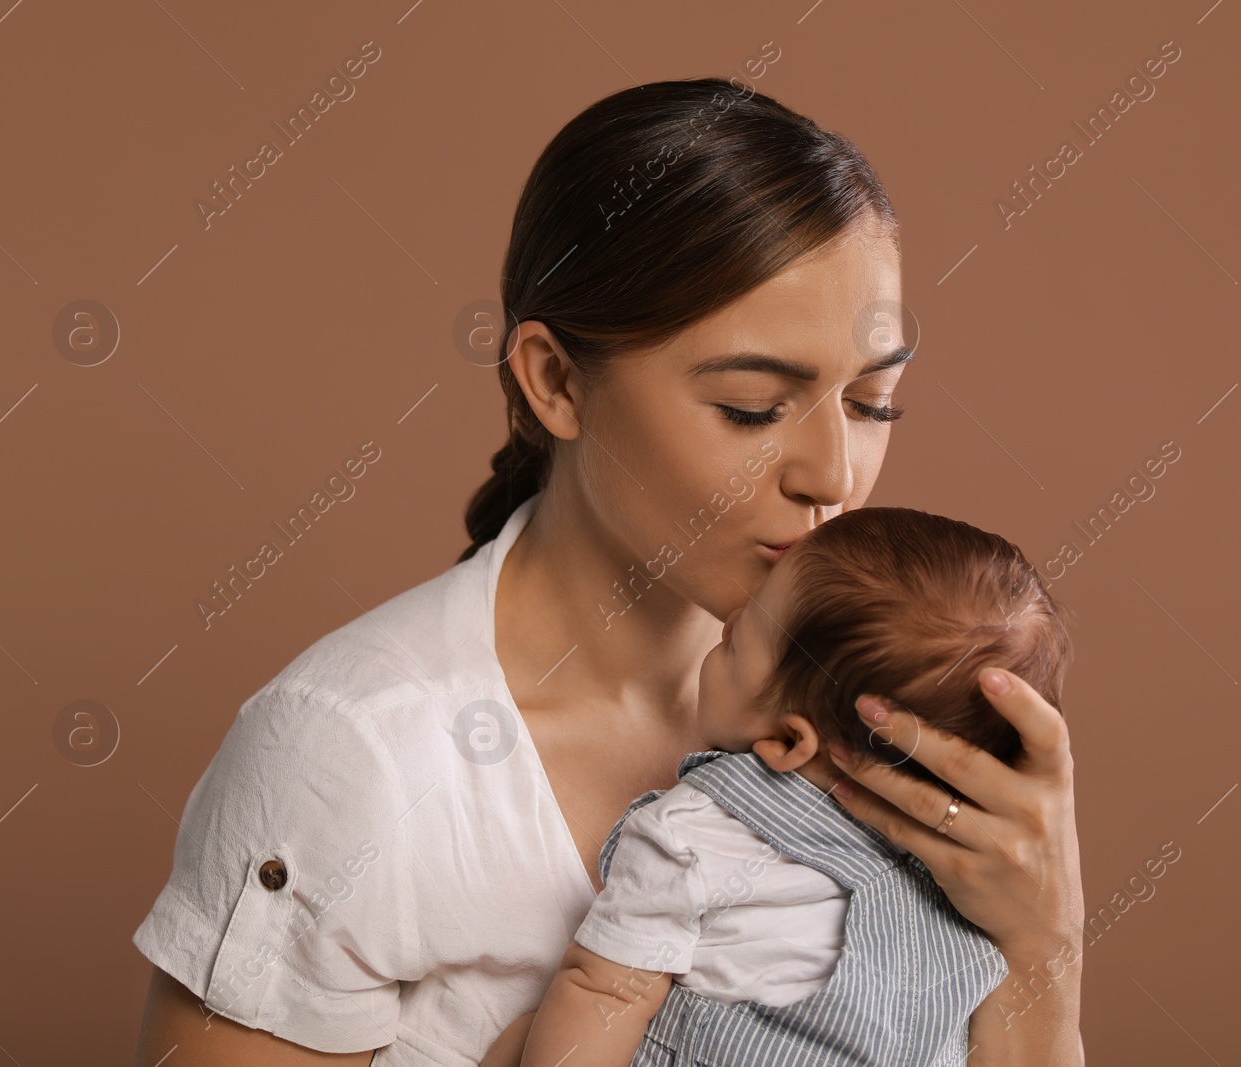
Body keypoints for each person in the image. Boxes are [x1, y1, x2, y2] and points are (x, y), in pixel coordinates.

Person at [131, 76, 1086, 1067]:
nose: (834, 476)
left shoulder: (894, 713)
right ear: (553, 379)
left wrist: (1044, 938)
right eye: (754, 407)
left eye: (873, 402)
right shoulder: (354, 754)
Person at [511, 506, 1074, 1066]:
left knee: (519, 1041)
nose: (727, 623)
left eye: (738, 640)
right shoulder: (967, 888)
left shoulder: (701, 830)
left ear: (787, 741)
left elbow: (605, 990)